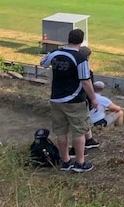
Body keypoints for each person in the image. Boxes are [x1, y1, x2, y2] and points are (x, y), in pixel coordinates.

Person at [39, 28, 97, 173]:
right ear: (81, 41)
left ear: (68, 38)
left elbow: (43, 63)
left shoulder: (56, 53)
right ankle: (80, 163)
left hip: (56, 98)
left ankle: (65, 161)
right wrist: (93, 98)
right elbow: (85, 81)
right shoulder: (80, 59)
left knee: (61, 132)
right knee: (79, 131)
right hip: (75, 100)